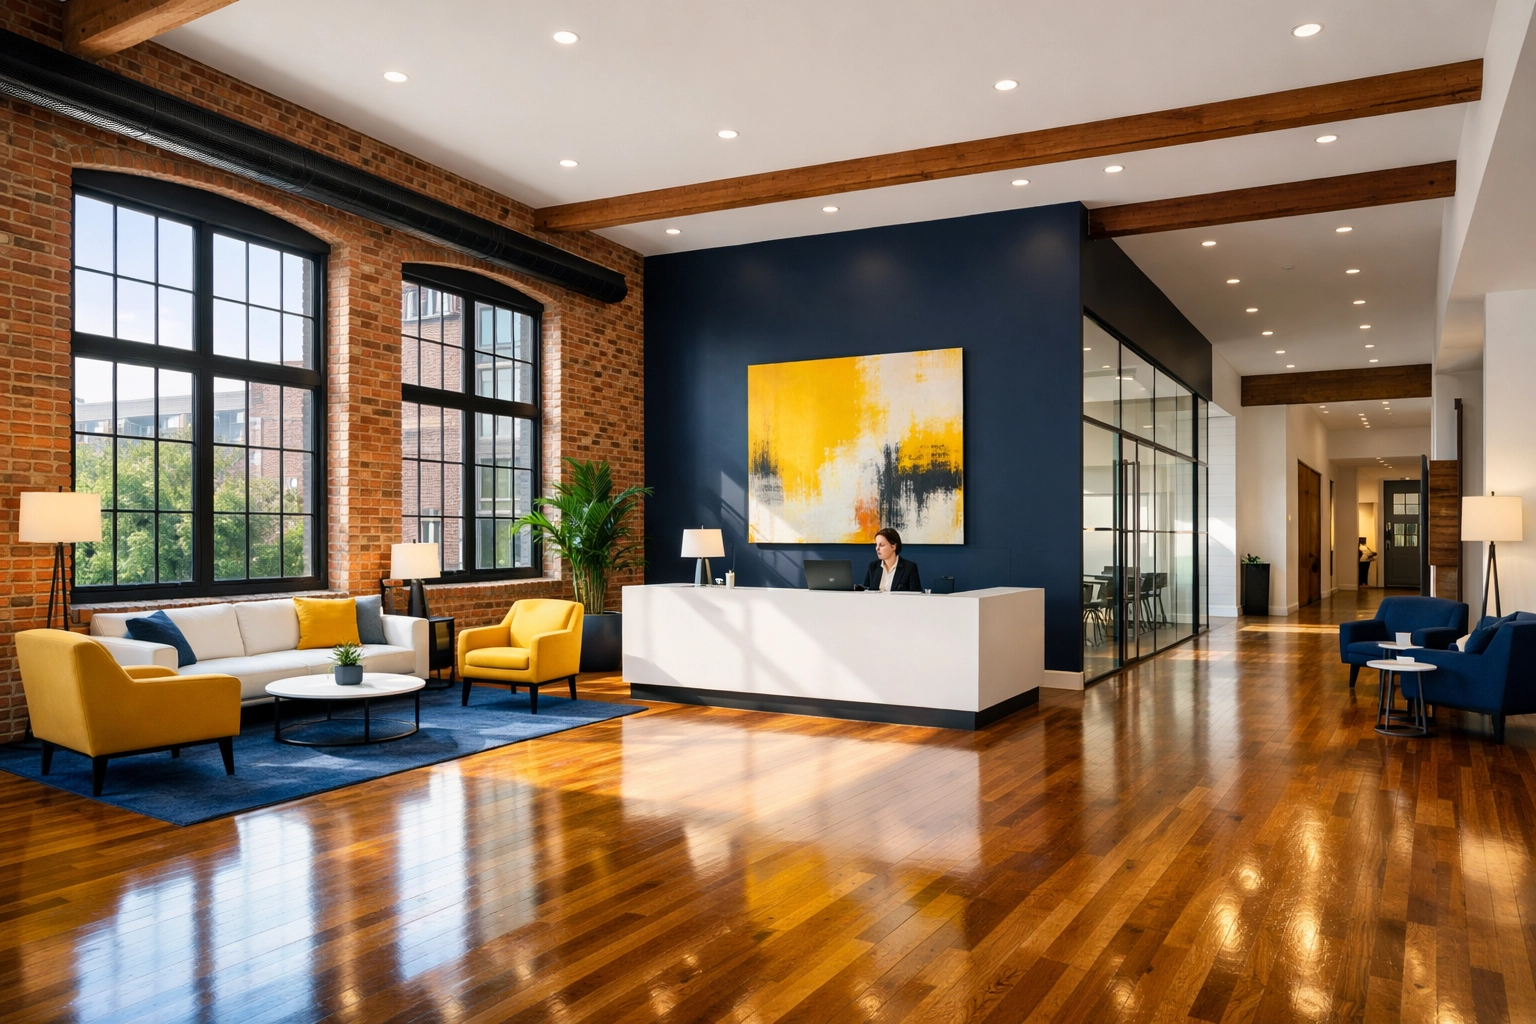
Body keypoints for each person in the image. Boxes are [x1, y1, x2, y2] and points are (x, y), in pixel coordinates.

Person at [862, 527, 922, 592]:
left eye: (881, 545)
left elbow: (916, 596)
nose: (877, 548)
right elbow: (866, 593)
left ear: (893, 546)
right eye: (876, 545)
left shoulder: (909, 568)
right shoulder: (873, 566)